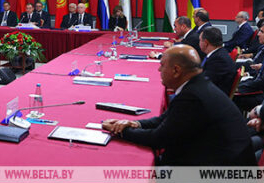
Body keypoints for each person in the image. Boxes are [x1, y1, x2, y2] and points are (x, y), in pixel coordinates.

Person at [102, 45, 255, 166]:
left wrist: (120, 131)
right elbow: (165, 118)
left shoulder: (192, 97)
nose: (159, 69)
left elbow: (158, 139)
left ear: (176, 70)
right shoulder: (197, 85)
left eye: (162, 65)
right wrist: (135, 123)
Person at [235, 20, 264, 111]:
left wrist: (238, 88)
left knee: (232, 98)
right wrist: (239, 85)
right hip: (262, 89)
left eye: (262, 32)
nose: (258, 34)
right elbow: (258, 78)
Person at [199, 26, 238, 95]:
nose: (199, 43)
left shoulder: (218, 60)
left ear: (206, 43)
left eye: (200, 40)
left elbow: (204, 83)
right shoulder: (218, 53)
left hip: (212, 96)